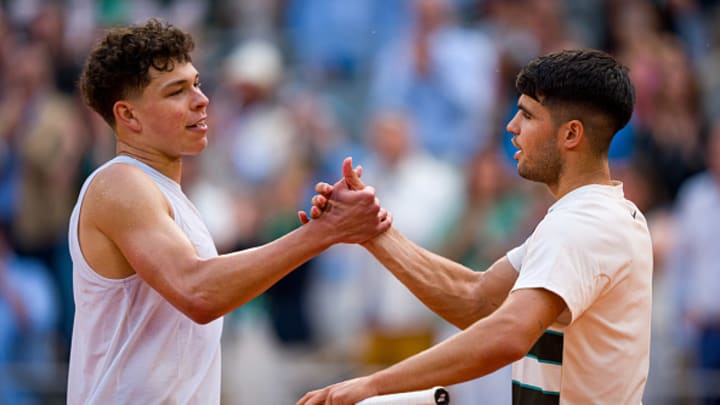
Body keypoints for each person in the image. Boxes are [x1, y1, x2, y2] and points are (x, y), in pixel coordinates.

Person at [297, 49, 653, 404]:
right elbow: (478, 299)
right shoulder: (594, 215)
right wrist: (373, 231)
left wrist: (372, 385)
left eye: (527, 116)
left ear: (571, 134)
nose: (511, 127)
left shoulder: (584, 222)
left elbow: (508, 333)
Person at [67, 18, 390, 404]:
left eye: (197, 83)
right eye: (176, 91)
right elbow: (198, 292)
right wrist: (324, 232)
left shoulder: (167, 194)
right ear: (129, 116)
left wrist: (322, 226)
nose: (201, 100)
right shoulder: (120, 183)